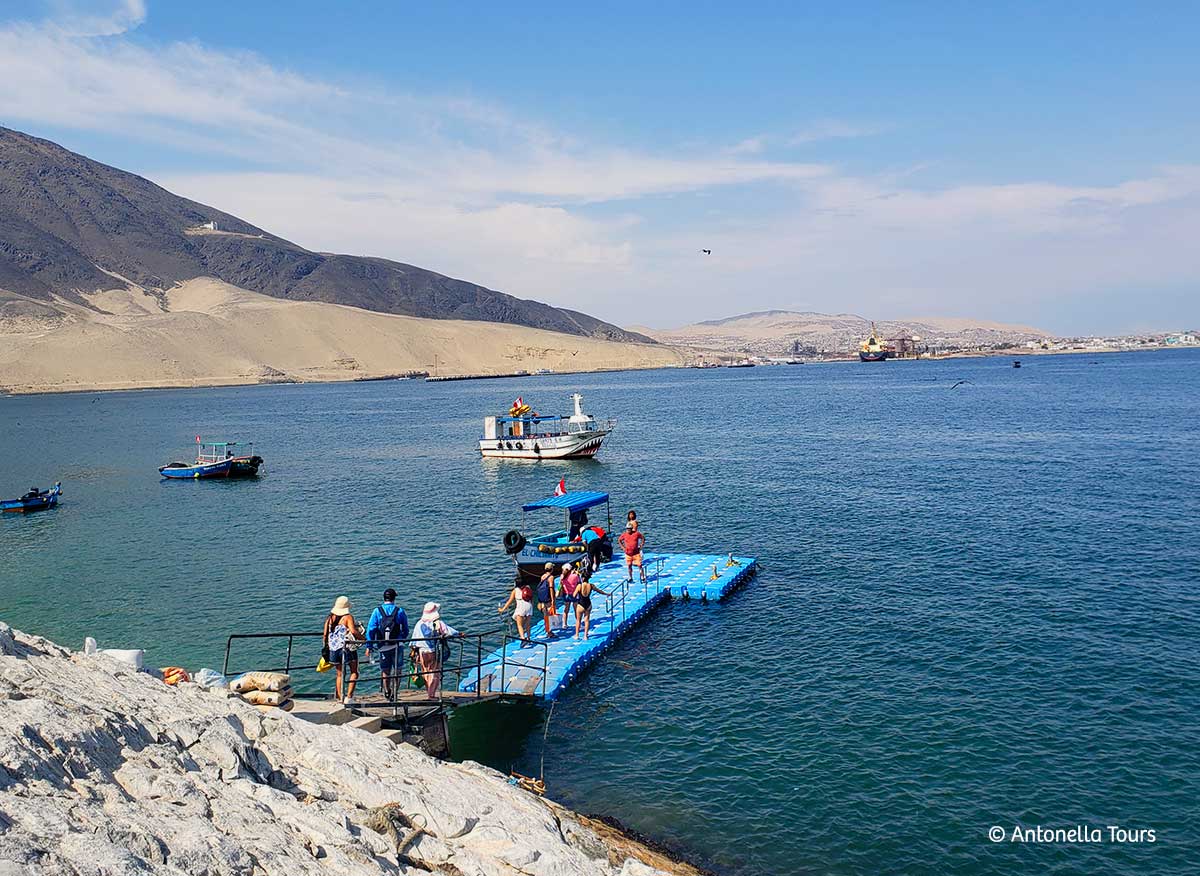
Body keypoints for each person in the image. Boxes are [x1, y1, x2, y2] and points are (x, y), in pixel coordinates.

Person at [365, 588, 408, 699]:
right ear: (394, 598)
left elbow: (371, 629)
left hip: (383, 646)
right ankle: (395, 692)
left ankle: (387, 691)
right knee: (398, 670)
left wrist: (369, 646)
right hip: (397, 645)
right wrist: (401, 638)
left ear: (384, 598)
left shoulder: (377, 611)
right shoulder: (400, 611)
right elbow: (406, 630)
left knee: (385, 670)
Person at [412, 602, 460, 699]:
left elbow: (413, 640)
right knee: (434, 672)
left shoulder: (419, 623)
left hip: (422, 651)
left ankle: (429, 692)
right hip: (433, 651)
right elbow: (449, 632)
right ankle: (431, 695)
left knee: (425, 672)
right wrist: (459, 633)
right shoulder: (437, 623)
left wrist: (413, 652)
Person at [323, 596, 361, 703]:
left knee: (339, 674)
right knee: (354, 672)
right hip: (346, 648)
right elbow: (353, 631)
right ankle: (349, 697)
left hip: (333, 649)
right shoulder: (348, 617)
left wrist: (326, 646)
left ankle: (340, 698)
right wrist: (363, 638)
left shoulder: (329, 618)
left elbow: (325, 634)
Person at [498, 574, 534, 644]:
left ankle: (523, 639)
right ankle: (529, 638)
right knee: (528, 624)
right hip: (529, 605)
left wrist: (502, 609)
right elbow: (531, 598)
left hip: (521, 607)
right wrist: (531, 606)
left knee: (519, 625)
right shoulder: (528, 587)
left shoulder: (515, 590)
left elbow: (509, 601)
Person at [574, 575, 609, 640]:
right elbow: (599, 591)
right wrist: (606, 594)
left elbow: (574, 595)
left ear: (582, 578)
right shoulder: (591, 585)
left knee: (578, 620)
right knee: (587, 620)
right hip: (588, 604)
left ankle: (577, 635)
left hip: (580, 604)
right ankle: (585, 636)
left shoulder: (579, 586)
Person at [537, 563, 558, 637]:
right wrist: (553, 599)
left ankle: (547, 630)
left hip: (543, 599)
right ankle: (550, 632)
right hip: (548, 598)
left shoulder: (543, 576)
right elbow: (551, 588)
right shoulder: (551, 577)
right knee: (550, 614)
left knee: (545, 615)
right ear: (551, 569)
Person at [560, 562, 582, 628]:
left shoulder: (562, 577)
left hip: (566, 594)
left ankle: (564, 624)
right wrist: (577, 574)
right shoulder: (575, 576)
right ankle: (578, 623)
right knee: (576, 609)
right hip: (574, 594)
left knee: (566, 609)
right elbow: (580, 582)